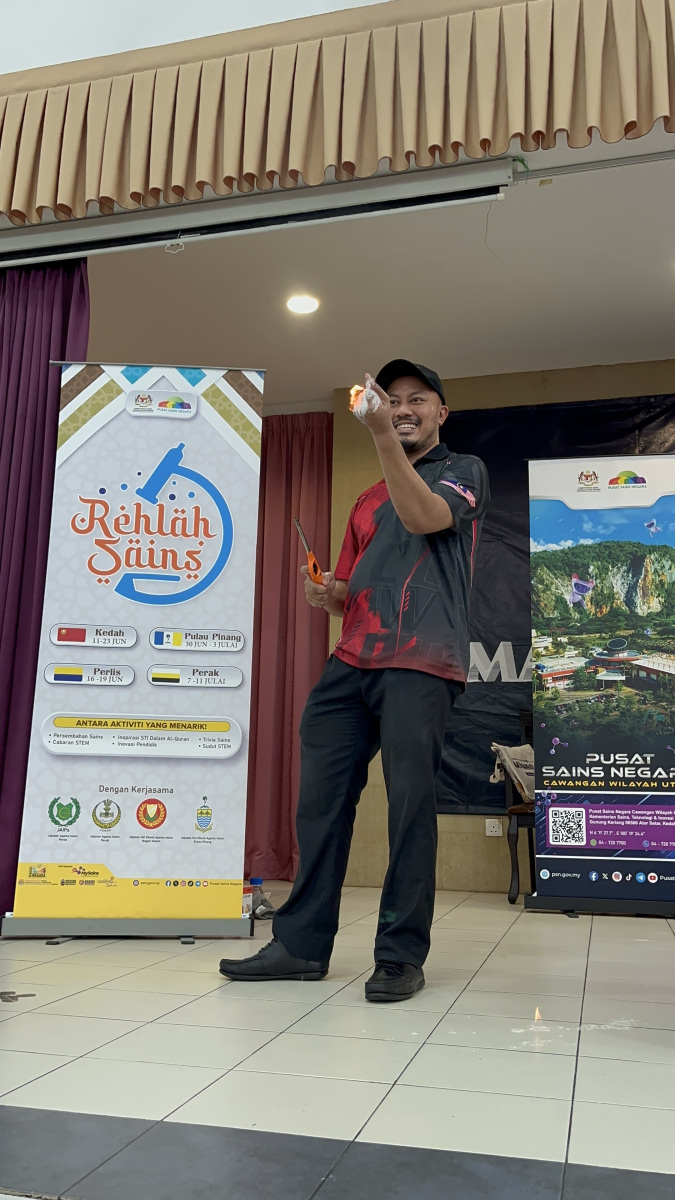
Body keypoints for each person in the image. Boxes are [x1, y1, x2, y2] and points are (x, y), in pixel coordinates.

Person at [219, 359, 489, 1001]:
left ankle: (399, 955)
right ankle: (300, 945)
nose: (402, 408)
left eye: (417, 399)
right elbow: (350, 589)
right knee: (319, 806)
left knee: (409, 808)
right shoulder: (367, 498)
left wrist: (379, 434)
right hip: (350, 662)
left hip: (421, 660)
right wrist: (327, 594)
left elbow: (425, 519)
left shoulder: (464, 470)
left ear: (441, 412)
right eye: (392, 400)